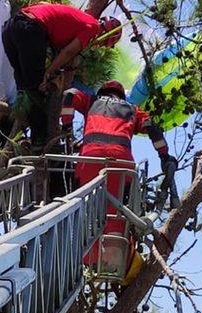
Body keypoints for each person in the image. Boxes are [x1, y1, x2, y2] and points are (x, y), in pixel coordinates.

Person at [61, 80, 178, 277]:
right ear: (121, 96)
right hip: (121, 163)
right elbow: (152, 128)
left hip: (90, 158)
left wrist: (67, 130)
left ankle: (85, 259)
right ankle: (109, 262)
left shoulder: (91, 102)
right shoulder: (132, 109)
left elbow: (70, 94)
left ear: (102, 91)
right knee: (115, 215)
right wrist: (164, 156)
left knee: (85, 210)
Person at [1, 2, 122, 151]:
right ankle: (40, 142)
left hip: (11, 27)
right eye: (104, 43)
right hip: (30, 28)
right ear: (107, 36)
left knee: (24, 86)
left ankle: (17, 128)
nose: (100, 46)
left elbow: (44, 9)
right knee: (36, 88)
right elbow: (68, 52)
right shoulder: (92, 27)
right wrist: (49, 71)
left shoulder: (79, 19)